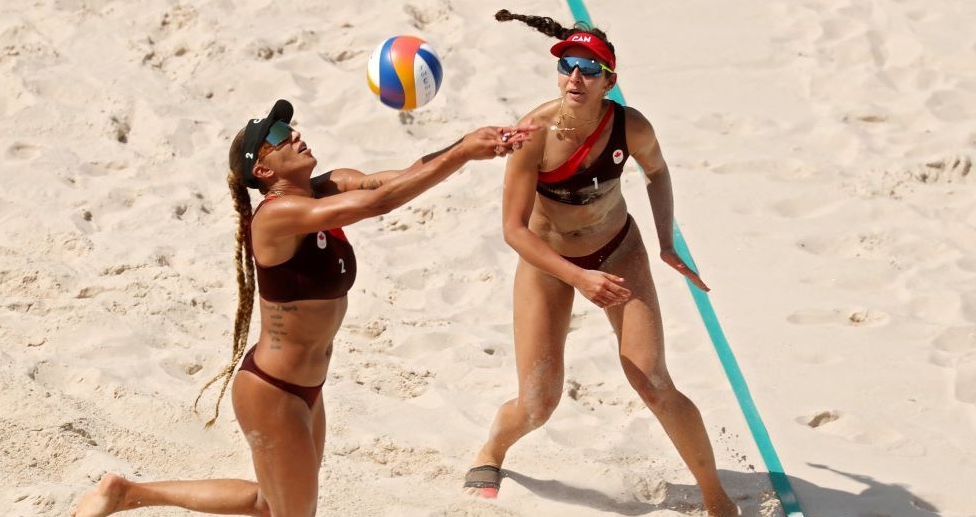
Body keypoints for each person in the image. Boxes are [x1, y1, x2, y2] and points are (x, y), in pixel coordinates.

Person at [72, 99, 537, 517]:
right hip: (273, 393)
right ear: (264, 171)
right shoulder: (275, 216)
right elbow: (379, 203)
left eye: (287, 126)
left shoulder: (325, 186)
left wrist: (472, 143)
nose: (292, 133)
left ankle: (125, 494)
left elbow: (397, 178)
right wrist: (461, 154)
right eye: (277, 136)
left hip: (305, 390)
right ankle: (126, 494)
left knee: (271, 504)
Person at [462, 10, 738, 517]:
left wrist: (665, 242)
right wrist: (577, 277)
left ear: (610, 80)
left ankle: (716, 499)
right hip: (549, 262)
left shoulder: (630, 126)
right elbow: (514, 231)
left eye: (589, 69)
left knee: (652, 379)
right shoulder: (534, 134)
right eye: (568, 65)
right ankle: (491, 452)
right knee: (538, 403)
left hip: (617, 249)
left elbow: (657, 174)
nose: (575, 77)